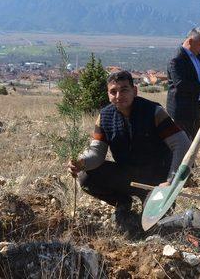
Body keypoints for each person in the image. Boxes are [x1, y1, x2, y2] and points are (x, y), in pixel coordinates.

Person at [67, 71, 191, 231]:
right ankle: (123, 202)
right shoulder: (104, 116)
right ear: (108, 94)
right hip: (127, 176)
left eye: (124, 89)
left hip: (157, 182)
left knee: (155, 227)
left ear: (135, 90)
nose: (119, 95)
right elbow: (96, 153)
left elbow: (182, 144)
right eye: (113, 91)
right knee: (85, 177)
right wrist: (81, 162)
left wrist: (171, 181)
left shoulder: (154, 112)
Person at [166, 27, 200, 140]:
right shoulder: (176, 59)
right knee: (182, 144)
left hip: (195, 107)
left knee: (194, 141)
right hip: (181, 111)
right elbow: (181, 85)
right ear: (190, 41)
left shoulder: (196, 55)